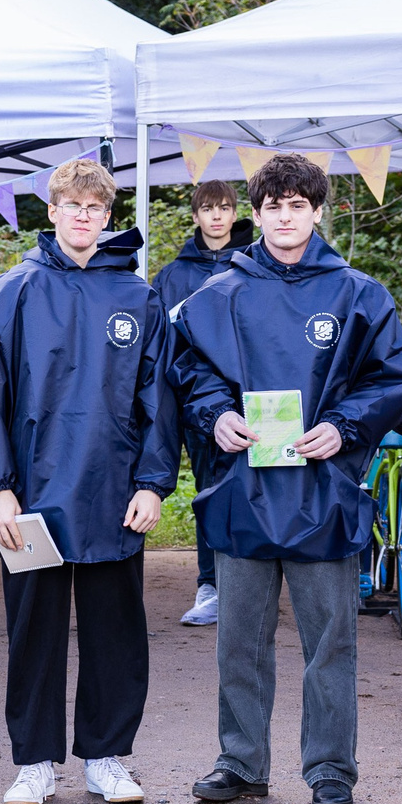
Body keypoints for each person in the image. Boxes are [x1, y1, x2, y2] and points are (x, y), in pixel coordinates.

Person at [173, 154, 402, 804]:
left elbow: (391, 378)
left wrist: (343, 425)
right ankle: (241, 760)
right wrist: (215, 414)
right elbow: (190, 370)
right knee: (239, 639)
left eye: (297, 205)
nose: (285, 216)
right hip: (242, 489)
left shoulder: (358, 294)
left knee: (330, 639)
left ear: (317, 211)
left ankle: (331, 768)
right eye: (273, 205)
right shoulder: (218, 294)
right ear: (255, 214)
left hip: (323, 491)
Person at [0, 159, 177, 804]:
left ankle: (106, 757)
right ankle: (34, 762)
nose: (84, 216)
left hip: (113, 493)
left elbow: (159, 398)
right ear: (51, 210)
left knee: (116, 632)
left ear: (108, 216)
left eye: (95, 207)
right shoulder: (10, 293)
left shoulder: (137, 298)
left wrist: (153, 483)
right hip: (30, 498)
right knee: (34, 631)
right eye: (72, 205)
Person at [152, 179, 245, 627]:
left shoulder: (253, 263)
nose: (216, 216)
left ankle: (248, 587)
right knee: (208, 490)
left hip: (247, 397)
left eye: (224, 207)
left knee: (250, 490)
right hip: (194, 400)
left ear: (235, 214)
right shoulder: (173, 275)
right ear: (195, 216)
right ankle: (211, 584)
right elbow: (159, 341)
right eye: (208, 208)